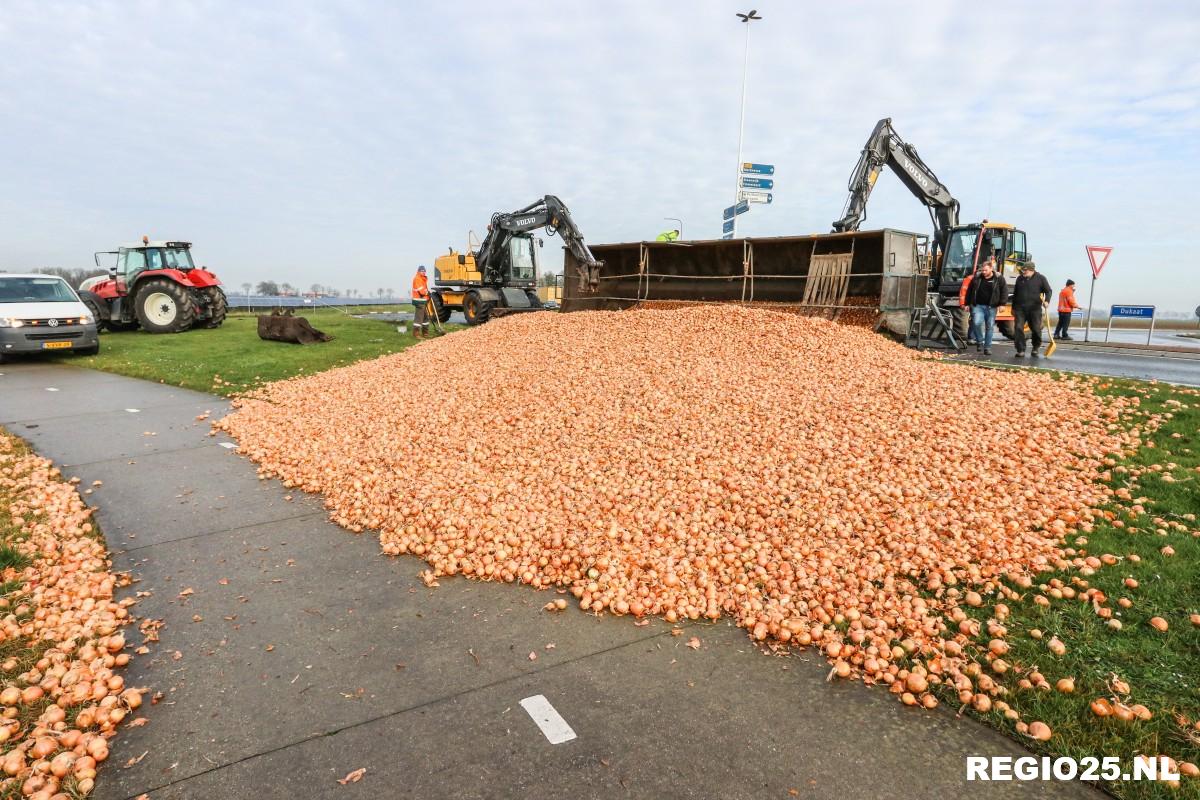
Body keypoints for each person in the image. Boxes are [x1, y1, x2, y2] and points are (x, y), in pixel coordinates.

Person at [1010, 261, 1052, 358]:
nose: (1023, 272)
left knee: (1036, 329)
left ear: (1031, 270)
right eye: (1023, 270)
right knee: (1018, 328)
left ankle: (1035, 347)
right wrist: (1013, 307)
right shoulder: (1020, 279)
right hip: (1020, 309)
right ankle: (1020, 350)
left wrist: (1047, 301)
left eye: (1025, 270)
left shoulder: (1041, 278)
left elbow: (1048, 291)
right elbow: (1015, 294)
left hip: (1035, 309)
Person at [965, 256, 1006, 355]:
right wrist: (966, 303)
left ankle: (987, 347)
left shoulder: (999, 278)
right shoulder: (977, 278)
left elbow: (1004, 291)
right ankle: (979, 341)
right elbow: (969, 291)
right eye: (982, 270)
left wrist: (1002, 304)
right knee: (976, 323)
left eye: (986, 270)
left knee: (989, 327)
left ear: (991, 269)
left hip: (991, 307)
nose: (983, 272)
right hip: (978, 306)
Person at [411, 265, 430, 339]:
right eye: (422, 271)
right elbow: (421, 291)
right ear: (419, 271)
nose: (424, 272)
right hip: (419, 301)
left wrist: (428, 295)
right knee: (419, 318)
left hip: (423, 301)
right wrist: (427, 293)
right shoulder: (417, 279)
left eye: (424, 271)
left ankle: (425, 333)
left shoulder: (422, 279)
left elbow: (424, 290)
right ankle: (416, 334)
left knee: (425, 318)